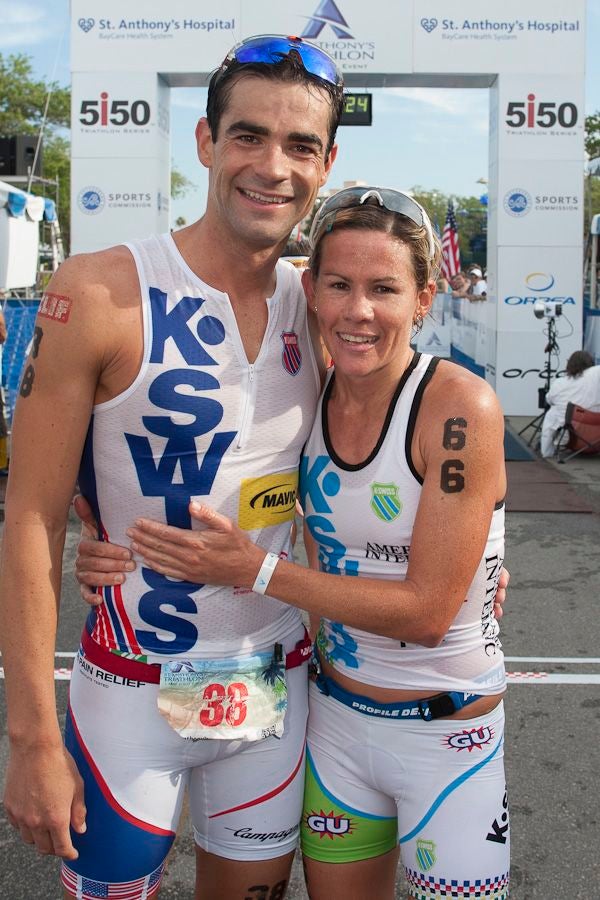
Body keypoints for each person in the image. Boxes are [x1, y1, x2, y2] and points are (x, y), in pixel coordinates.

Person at [77, 187, 509, 900]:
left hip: (446, 736)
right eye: (338, 285)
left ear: (426, 298)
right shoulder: (314, 386)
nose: (357, 311)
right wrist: (103, 537)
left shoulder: (462, 404)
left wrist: (257, 572)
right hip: (333, 723)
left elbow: (430, 610)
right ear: (309, 289)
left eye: (384, 289)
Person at [0, 35, 345, 900]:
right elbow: (30, 514)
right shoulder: (101, 291)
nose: (273, 166)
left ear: (326, 163)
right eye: (248, 136)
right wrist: (33, 740)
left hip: (273, 682)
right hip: (128, 694)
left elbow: (389, 456)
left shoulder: (325, 304)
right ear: (205, 142)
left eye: (301, 145)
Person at [540, 350, 600, 457]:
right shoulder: (596, 377)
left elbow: (549, 400)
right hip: (597, 438)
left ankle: (547, 451)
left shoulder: (559, 384)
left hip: (571, 438)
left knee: (553, 412)